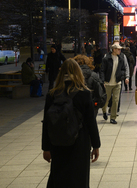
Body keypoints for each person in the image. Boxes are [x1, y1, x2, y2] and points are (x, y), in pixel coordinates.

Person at [42, 59, 100, 188]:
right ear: (78, 73)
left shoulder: (52, 94)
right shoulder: (84, 94)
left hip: (57, 142)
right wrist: (96, 145)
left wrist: (46, 148)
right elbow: (91, 121)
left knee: (59, 176)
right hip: (80, 142)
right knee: (79, 177)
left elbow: (46, 123)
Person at [100, 42, 127, 124]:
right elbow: (102, 70)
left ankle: (113, 117)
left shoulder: (121, 59)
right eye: (118, 49)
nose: (120, 51)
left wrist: (122, 76)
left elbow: (123, 69)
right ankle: (104, 111)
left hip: (117, 83)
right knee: (106, 100)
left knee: (116, 100)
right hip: (108, 83)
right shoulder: (106, 59)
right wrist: (102, 81)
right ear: (114, 50)